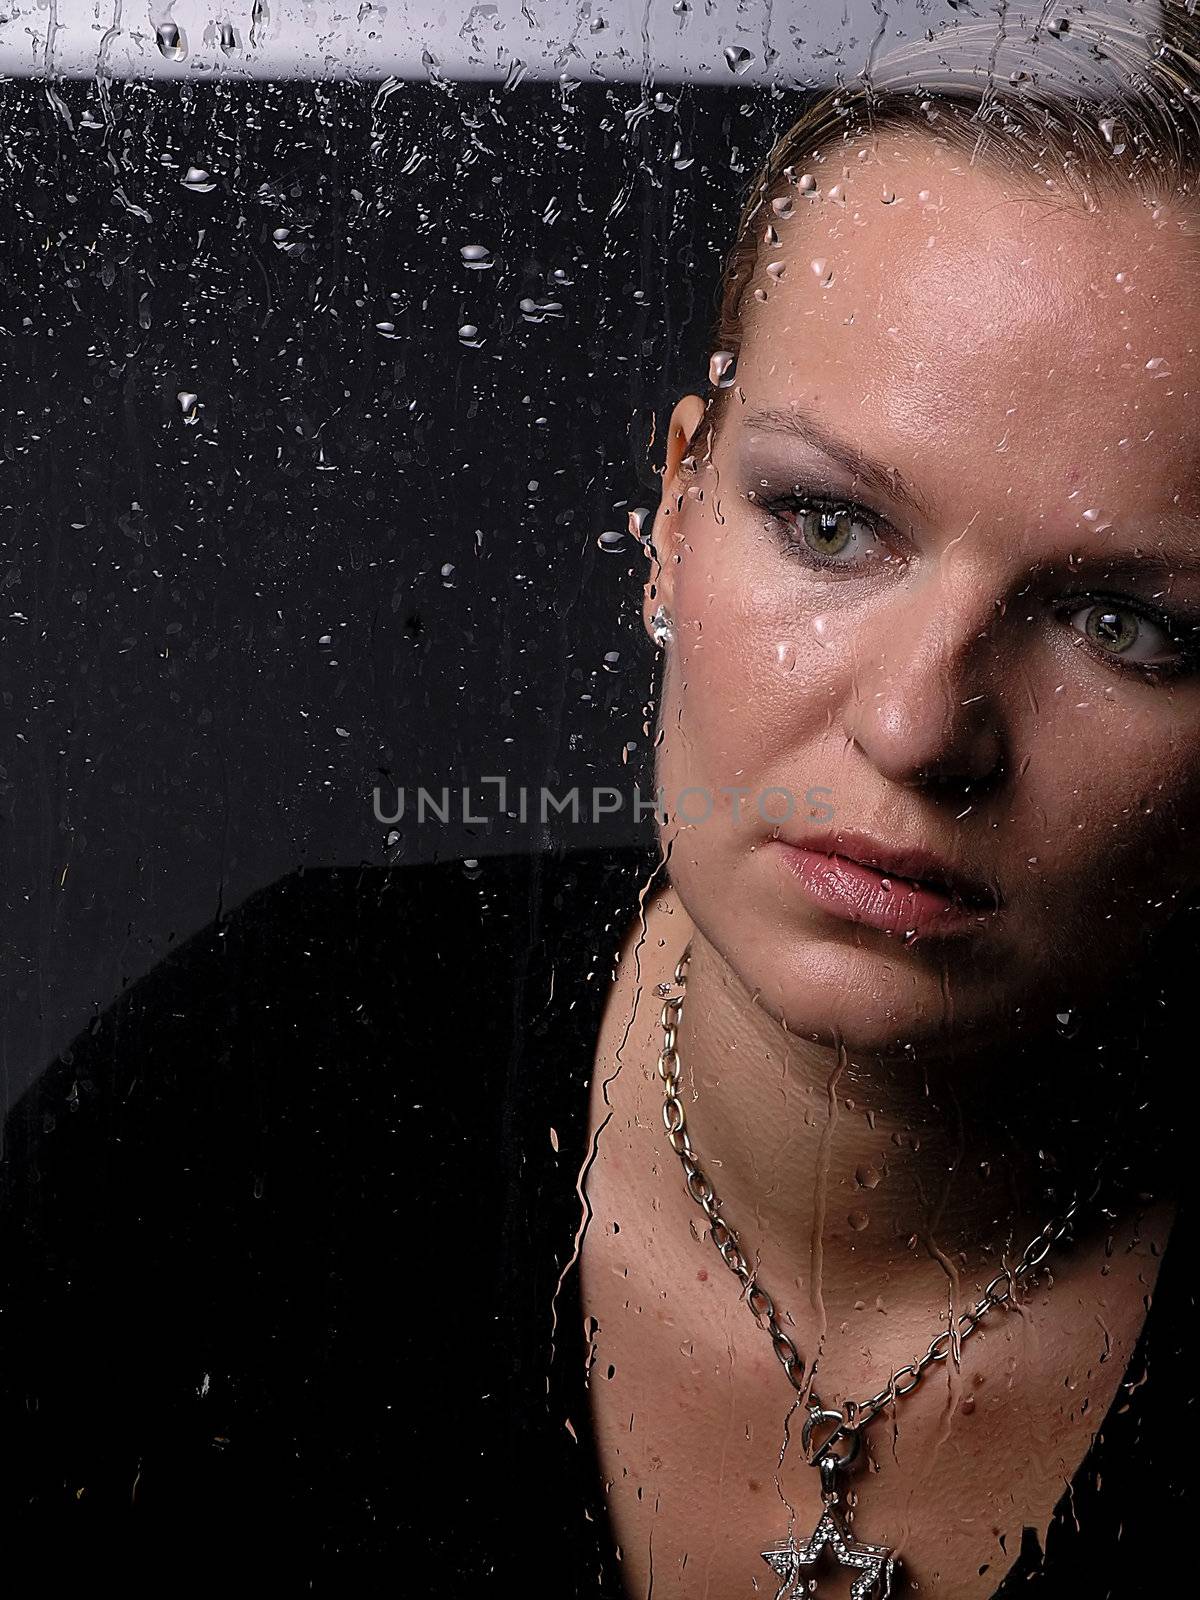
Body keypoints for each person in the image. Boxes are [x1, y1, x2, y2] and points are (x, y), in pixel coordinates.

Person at [1, 7, 1198, 1596]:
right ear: (676, 514)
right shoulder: (284, 1071)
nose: (920, 727)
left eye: (1124, 623)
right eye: (829, 525)